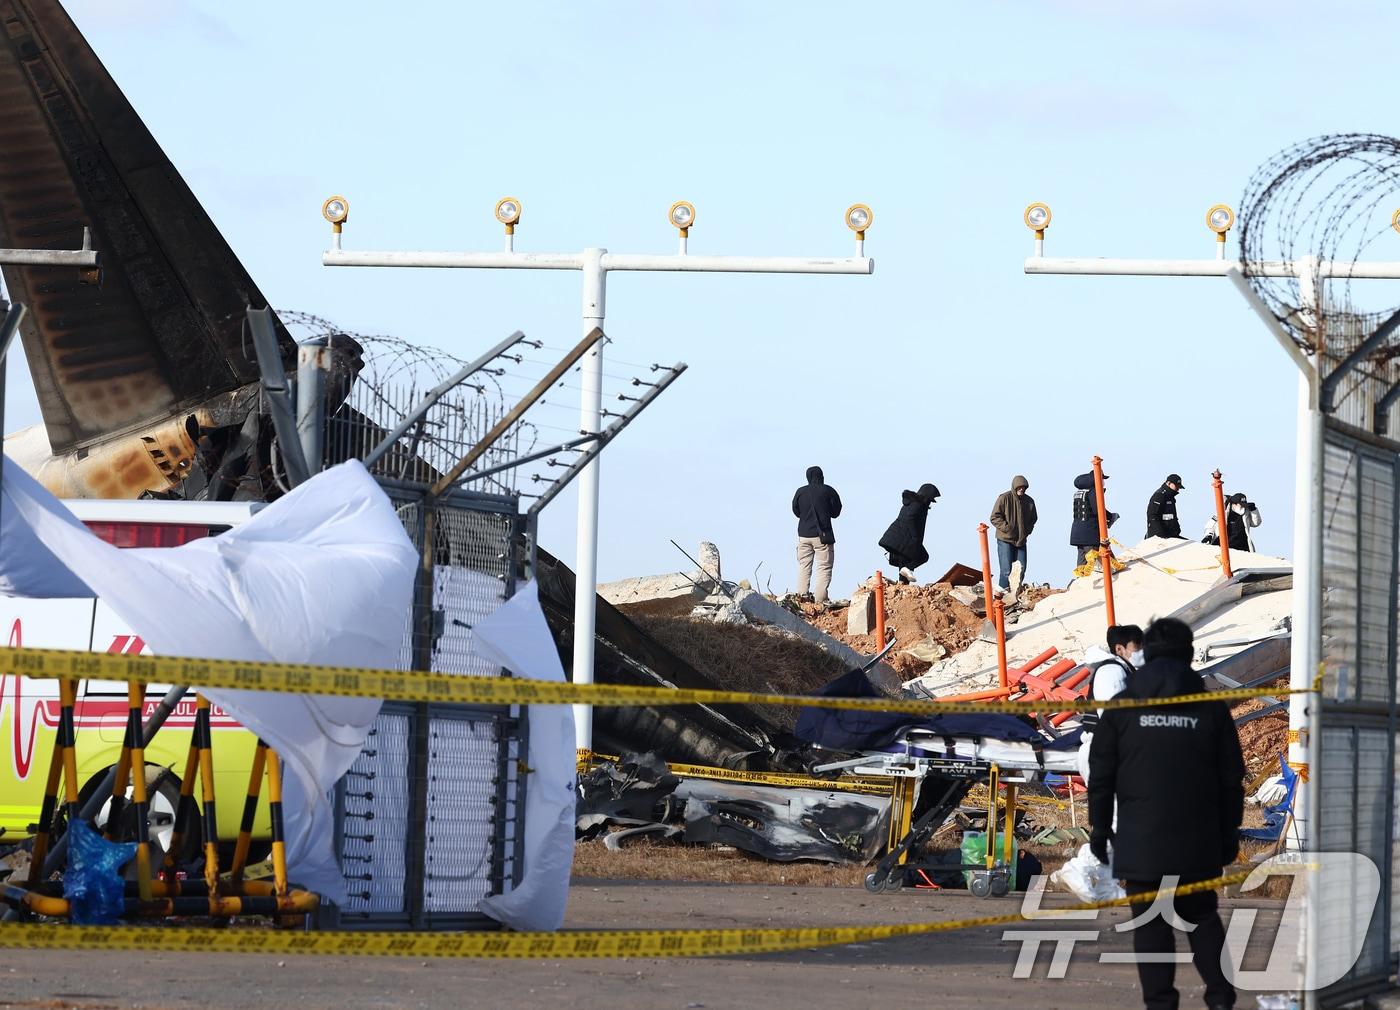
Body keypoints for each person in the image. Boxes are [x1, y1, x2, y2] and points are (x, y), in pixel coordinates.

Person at [1088, 617, 1245, 1010]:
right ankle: (1221, 998)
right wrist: (1229, 835)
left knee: (1150, 924)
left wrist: (1100, 827)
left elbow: (1101, 773)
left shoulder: (1122, 707)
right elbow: (1231, 779)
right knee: (1203, 918)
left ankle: (1160, 1004)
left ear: (1147, 654)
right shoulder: (1210, 708)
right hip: (1199, 839)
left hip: (1142, 841)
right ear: (1189, 655)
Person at [1075, 623, 1144, 786]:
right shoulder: (1112, 672)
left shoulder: (1125, 671)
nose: (1143, 651)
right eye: (1138, 646)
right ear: (1120, 649)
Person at [791, 465, 842, 603]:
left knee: (804, 565)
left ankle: (802, 596)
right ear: (822, 477)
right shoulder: (828, 491)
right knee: (824, 567)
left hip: (803, 535)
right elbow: (836, 512)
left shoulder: (800, 492)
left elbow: (796, 511)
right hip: (823, 536)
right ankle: (820, 599)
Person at [878, 482, 939, 583]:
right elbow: (910, 517)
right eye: (930, 499)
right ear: (926, 496)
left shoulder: (912, 502)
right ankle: (906, 573)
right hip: (904, 537)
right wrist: (914, 535)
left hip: (900, 537)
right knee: (923, 556)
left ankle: (903, 584)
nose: (930, 502)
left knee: (905, 560)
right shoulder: (918, 504)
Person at [989, 475, 1038, 590]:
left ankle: (1016, 594)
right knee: (1006, 571)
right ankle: (1002, 597)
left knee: (1021, 570)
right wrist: (1008, 528)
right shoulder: (1004, 498)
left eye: (1024, 487)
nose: (1021, 489)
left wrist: (1027, 531)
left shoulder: (1029, 501)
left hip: (1021, 540)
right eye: (1019, 487)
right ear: (1014, 487)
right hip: (1005, 539)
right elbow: (994, 517)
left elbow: (1033, 519)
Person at [1070, 472, 1119, 567]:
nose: (1104, 482)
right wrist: (1111, 516)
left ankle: (1080, 580)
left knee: (1082, 563)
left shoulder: (1080, 492)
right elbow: (1098, 510)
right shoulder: (1093, 491)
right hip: (1090, 533)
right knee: (1095, 564)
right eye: (1102, 479)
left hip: (1077, 533)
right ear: (1096, 479)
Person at [1145, 474, 1186, 539]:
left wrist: (1176, 529)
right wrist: (1160, 534)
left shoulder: (1170, 497)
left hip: (1170, 535)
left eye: (1179, 487)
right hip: (1159, 537)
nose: (1178, 489)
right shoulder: (1159, 495)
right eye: (1176, 486)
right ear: (1168, 483)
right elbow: (1152, 516)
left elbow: (1171, 516)